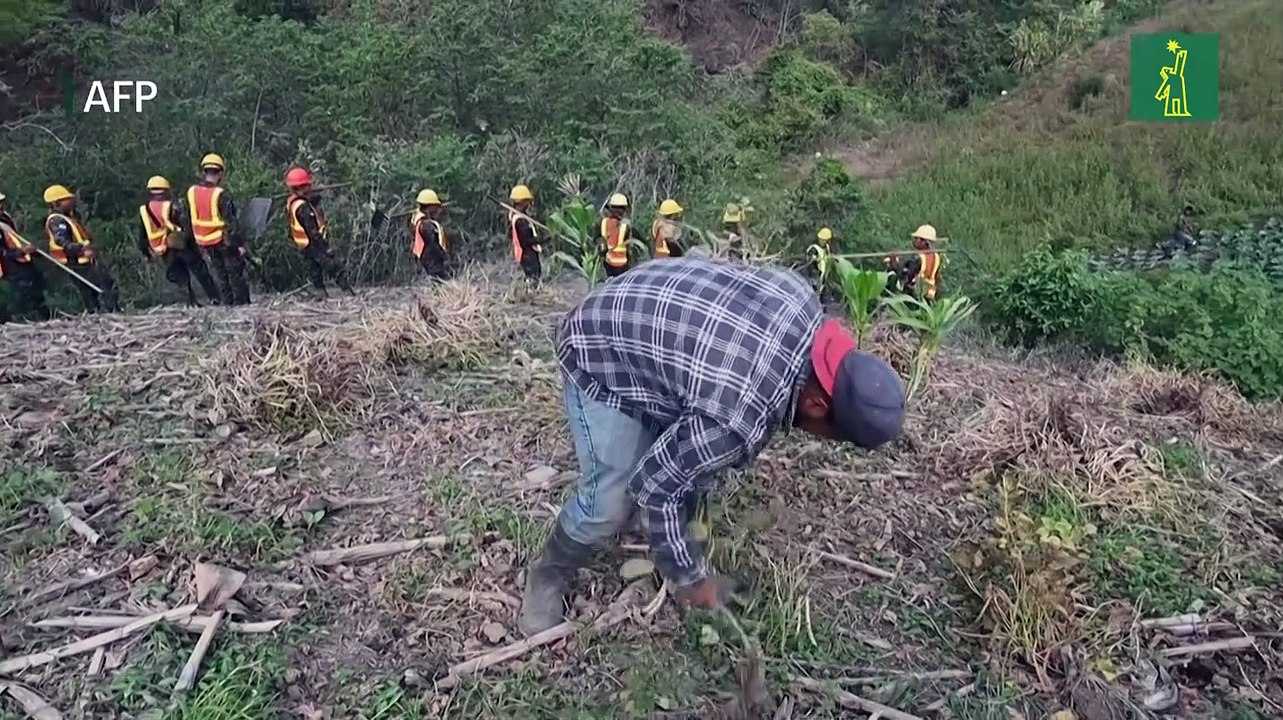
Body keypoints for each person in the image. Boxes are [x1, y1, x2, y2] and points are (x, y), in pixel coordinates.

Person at [518, 257, 906, 636]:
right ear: (817, 405)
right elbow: (654, 487)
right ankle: (548, 574)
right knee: (611, 503)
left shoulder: (801, 295)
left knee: (689, 464)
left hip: (647, 315)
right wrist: (692, 581)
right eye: (833, 435)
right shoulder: (738, 415)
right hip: (597, 345)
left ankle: (669, 539)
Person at [137, 176, 219, 306]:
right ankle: (214, 298)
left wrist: (146, 253)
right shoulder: (172, 207)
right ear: (166, 190)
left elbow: (142, 235)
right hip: (181, 246)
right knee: (201, 271)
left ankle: (190, 302)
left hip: (164, 250)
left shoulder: (144, 210)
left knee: (180, 276)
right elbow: (186, 226)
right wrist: (195, 245)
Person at [185, 153, 251, 305]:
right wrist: (239, 245)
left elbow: (187, 217)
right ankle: (241, 304)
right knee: (235, 271)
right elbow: (231, 222)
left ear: (203, 171)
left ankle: (227, 303)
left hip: (203, 240)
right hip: (222, 239)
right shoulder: (220, 195)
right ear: (221, 173)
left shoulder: (192, 192)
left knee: (220, 272)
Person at [42, 184, 119, 313]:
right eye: (66, 199)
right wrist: (82, 249)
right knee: (104, 283)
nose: (71, 201)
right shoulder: (57, 221)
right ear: (57, 203)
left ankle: (98, 313)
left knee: (91, 290)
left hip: (82, 261)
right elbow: (62, 242)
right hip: (75, 262)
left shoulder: (68, 217)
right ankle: (110, 311)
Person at [284, 167, 354, 299]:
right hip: (313, 244)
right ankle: (347, 292)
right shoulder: (303, 207)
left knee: (314, 269)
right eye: (308, 185)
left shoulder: (292, 202)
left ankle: (320, 293)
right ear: (304, 186)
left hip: (303, 245)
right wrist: (326, 247)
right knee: (333, 266)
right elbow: (312, 231)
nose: (311, 187)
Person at [0, 217, 47, 321]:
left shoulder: (5, 220)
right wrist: (21, 251)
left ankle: (41, 316)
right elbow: (3, 252)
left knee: (37, 289)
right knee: (22, 294)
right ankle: (22, 318)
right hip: (11, 267)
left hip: (24, 263)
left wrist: (30, 250)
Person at [894, 224, 945, 302]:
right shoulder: (936, 256)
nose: (914, 241)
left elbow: (906, 276)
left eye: (916, 239)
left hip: (915, 295)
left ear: (925, 241)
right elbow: (937, 277)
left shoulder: (918, 258)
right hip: (930, 295)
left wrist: (894, 263)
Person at [410, 189, 451, 280]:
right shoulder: (426, 225)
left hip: (425, 259)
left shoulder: (418, 220)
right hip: (431, 260)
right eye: (435, 206)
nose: (437, 209)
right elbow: (433, 244)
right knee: (439, 281)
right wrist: (443, 256)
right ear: (430, 206)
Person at [508, 185, 542, 288]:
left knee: (534, 275)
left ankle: (528, 292)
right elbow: (526, 241)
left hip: (527, 253)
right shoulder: (520, 221)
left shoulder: (519, 217)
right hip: (526, 253)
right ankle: (528, 293)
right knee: (533, 276)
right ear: (522, 202)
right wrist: (541, 240)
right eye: (527, 201)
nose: (528, 204)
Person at [599, 193, 640, 278]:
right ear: (624, 209)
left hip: (607, 265)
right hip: (622, 266)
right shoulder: (626, 225)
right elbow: (632, 246)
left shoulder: (603, 222)